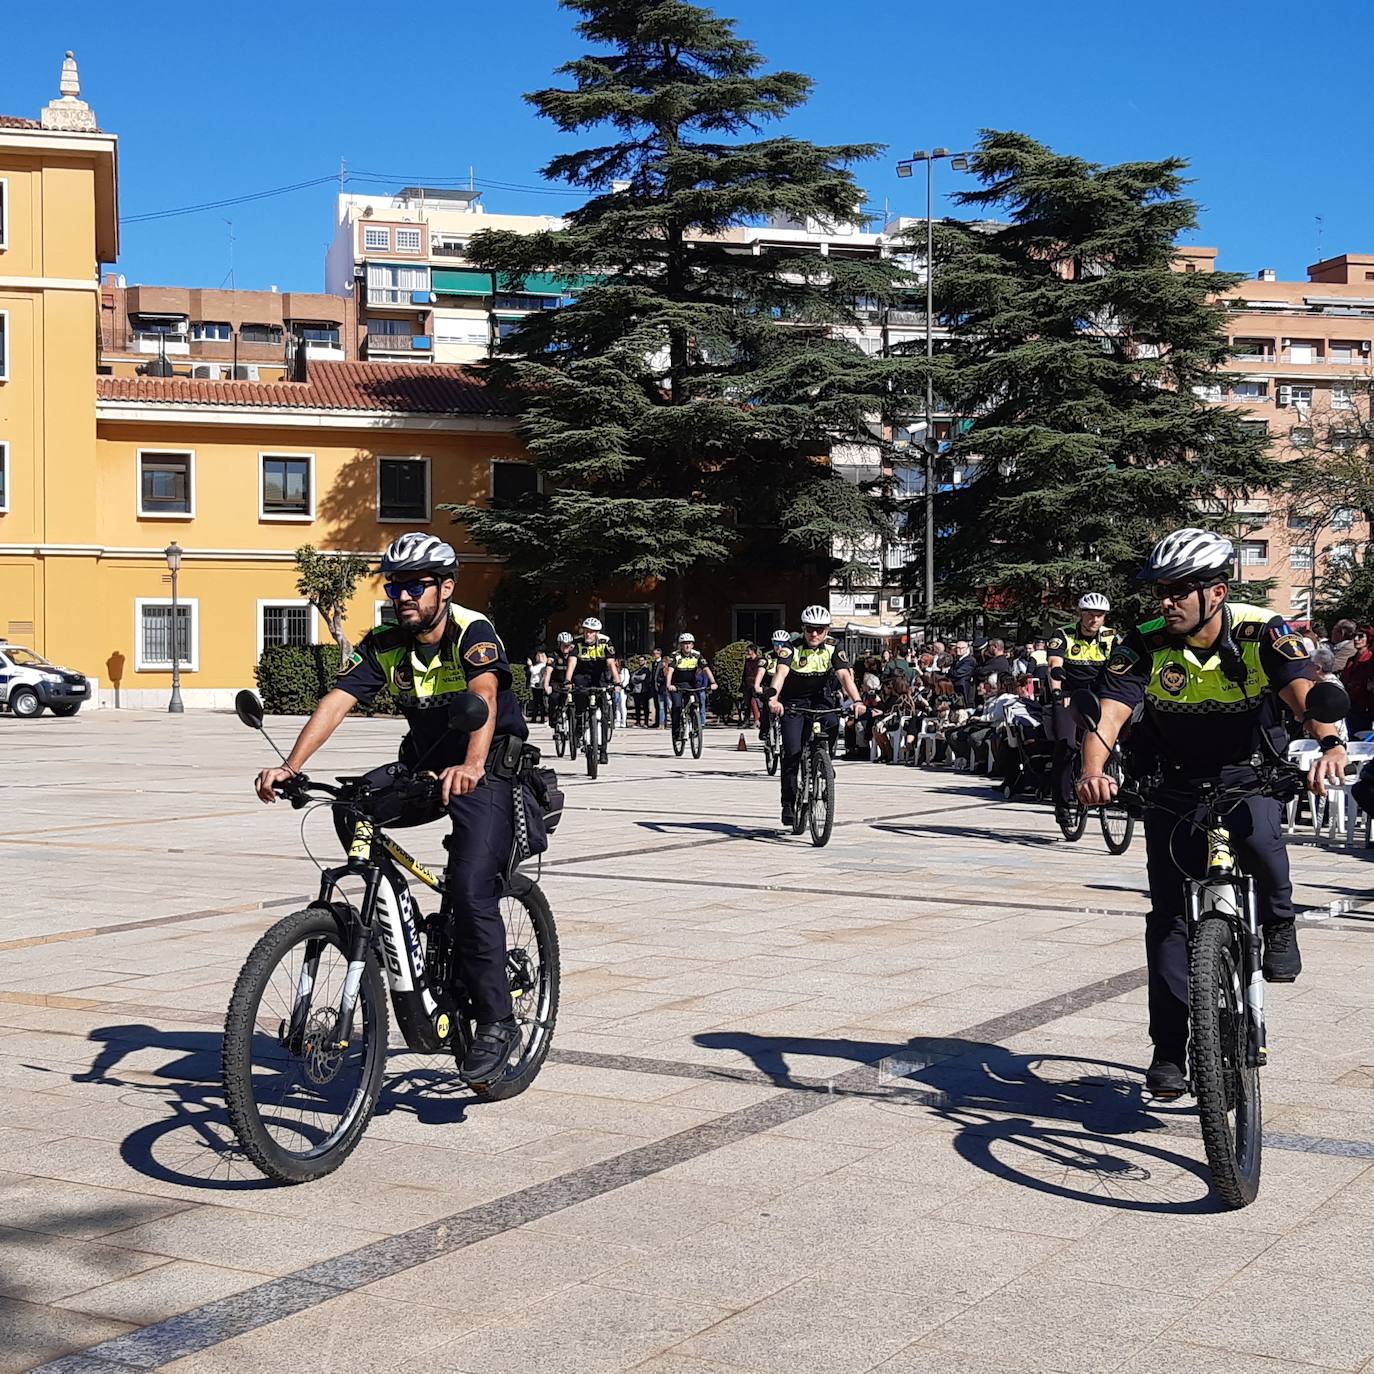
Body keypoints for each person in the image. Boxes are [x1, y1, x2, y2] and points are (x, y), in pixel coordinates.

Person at [252, 533, 530, 1086]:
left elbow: (487, 696)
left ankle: (499, 1022)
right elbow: (337, 701)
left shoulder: (471, 631)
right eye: (395, 585)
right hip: (426, 764)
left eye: (416, 585)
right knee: (350, 807)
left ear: (445, 588)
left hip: (488, 765)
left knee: (472, 889)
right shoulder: (385, 641)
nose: (403, 595)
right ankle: (395, 925)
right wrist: (290, 764)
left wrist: (473, 765)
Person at [1078, 528, 1345, 1098]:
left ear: (1216, 593)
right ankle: (1171, 1049)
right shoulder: (1145, 641)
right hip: (1173, 782)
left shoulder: (1263, 631)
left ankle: (1278, 921)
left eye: (1178, 591)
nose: (1165, 602)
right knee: (1169, 918)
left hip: (1249, 770)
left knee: (1263, 843)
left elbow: (1303, 694)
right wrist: (1093, 772)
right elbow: (1110, 716)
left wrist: (1330, 746)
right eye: (1160, 591)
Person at [767, 606, 865, 826]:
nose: (814, 634)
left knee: (831, 721)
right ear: (803, 628)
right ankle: (789, 802)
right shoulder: (791, 648)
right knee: (792, 751)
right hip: (794, 701)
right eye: (810, 629)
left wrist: (857, 700)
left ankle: (825, 759)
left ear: (827, 630)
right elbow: (780, 674)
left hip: (820, 698)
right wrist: (774, 698)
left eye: (820, 630)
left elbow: (844, 676)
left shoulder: (833, 647)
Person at [1045, 592, 1118, 824]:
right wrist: (1057, 691)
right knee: (1066, 744)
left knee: (1115, 739)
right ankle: (1062, 804)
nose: (1094, 620)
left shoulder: (1111, 637)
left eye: (1099, 615)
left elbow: (1122, 668)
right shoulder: (1063, 635)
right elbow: (1054, 665)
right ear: (1081, 614)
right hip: (1069, 695)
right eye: (1089, 614)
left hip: (1099, 696)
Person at [564, 616, 619, 764]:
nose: (588, 635)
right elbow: (572, 662)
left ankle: (603, 750)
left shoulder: (605, 641)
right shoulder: (576, 642)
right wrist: (568, 680)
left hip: (599, 675)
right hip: (582, 675)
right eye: (586, 631)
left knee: (605, 712)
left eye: (592, 632)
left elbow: (611, 663)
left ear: (597, 633)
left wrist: (617, 681)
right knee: (580, 698)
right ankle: (579, 726)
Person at [666, 632, 717, 739]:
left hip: (691, 684)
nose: (687, 646)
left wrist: (713, 682)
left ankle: (695, 726)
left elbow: (706, 669)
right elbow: (670, 671)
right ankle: (676, 732)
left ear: (692, 645)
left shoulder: (697, 655)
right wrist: (669, 685)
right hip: (677, 685)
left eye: (689, 643)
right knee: (677, 706)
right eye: (684, 644)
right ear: (681, 645)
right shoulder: (675, 656)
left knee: (695, 704)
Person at [754, 629, 793, 743]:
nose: (779, 647)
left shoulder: (792, 657)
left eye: (783, 644)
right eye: (776, 644)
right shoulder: (767, 657)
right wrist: (757, 686)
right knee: (766, 707)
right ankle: (765, 729)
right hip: (769, 688)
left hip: (786, 689)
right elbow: (760, 672)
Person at [1341, 628, 1374, 736]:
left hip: (1367, 706)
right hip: (1351, 705)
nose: (1356, 639)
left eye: (1360, 636)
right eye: (1354, 636)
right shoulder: (1351, 660)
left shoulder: (1371, 659)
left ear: (1368, 638)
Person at [547, 631, 576, 732]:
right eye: (564, 645)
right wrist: (546, 685)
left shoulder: (574, 654)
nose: (566, 648)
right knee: (554, 698)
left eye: (568, 645)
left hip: (570, 683)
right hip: (556, 682)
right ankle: (553, 720)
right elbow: (548, 671)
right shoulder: (554, 655)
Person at [741, 643, 761, 724]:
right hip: (747, 684)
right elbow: (744, 672)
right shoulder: (747, 661)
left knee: (754, 701)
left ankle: (756, 720)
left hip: (755, 684)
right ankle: (746, 720)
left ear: (753, 651)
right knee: (747, 704)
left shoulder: (759, 661)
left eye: (748, 650)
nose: (747, 652)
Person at [630, 656, 652, 726]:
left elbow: (643, 677)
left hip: (644, 690)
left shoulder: (646, 669)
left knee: (645, 707)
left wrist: (635, 677)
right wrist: (635, 678)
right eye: (639, 660)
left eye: (642, 660)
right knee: (637, 707)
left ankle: (646, 722)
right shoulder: (638, 670)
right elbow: (632, 678)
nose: (640, 662)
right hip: (636, 690)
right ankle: (638, 722)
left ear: (645, 661)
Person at [527, 650, 548, 723]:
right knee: (537, 702)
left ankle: (537, 717)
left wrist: (530, 665)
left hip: (538, 686)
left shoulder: (542, 665)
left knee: (538, 702)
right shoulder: (539, 665)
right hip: (535, 685)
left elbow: (533, 671)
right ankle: (537, 717)